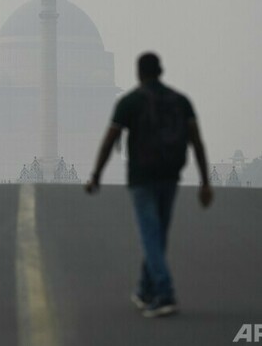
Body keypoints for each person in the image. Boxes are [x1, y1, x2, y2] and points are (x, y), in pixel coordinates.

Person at [86, 52, 213, 318]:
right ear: (161, 70)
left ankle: (164, 293)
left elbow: (110, 140)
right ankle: (145, 290)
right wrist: (205, 181)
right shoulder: (181, 101)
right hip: (170, 175)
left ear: (139, 73)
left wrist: (96, 174)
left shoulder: (130, 102)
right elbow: (197, 142)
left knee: (151, 235)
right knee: (158, 235)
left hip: (141, 178)